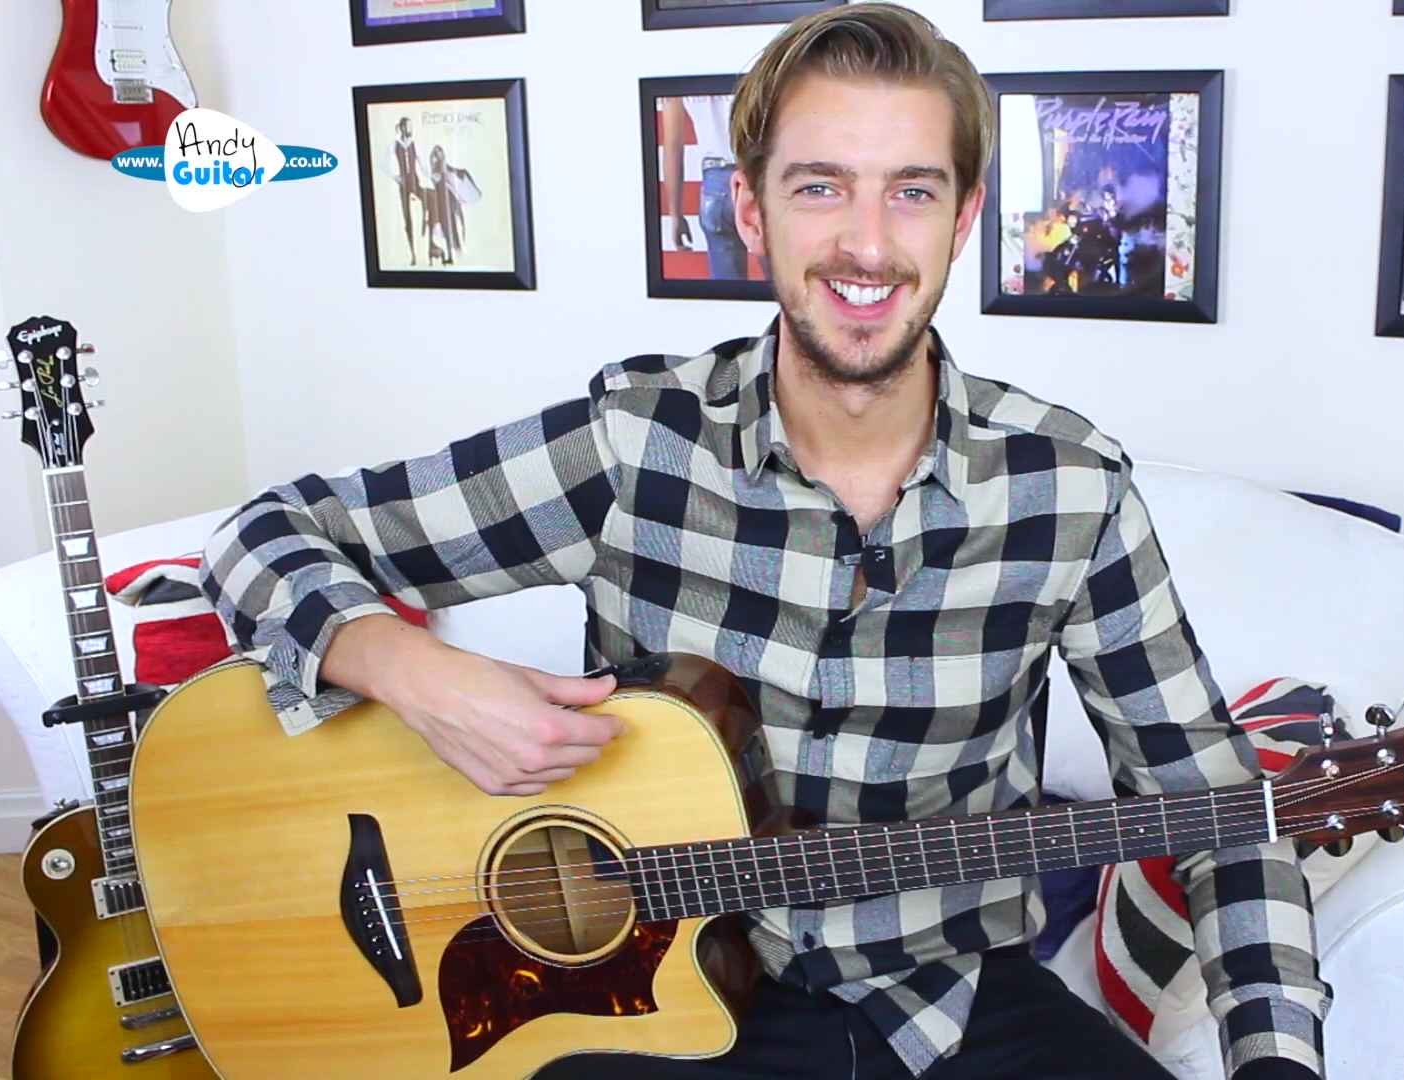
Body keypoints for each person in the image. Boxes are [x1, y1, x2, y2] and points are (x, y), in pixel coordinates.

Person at [198, 6, 1331, 1079]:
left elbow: (1223, 813)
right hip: (635, 1000)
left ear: (963, 219)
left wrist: (1276, 1058)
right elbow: (260, 537)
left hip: (949, 1004)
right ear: (751, 213)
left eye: (912, 191)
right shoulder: (635, 446)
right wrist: (425, 678)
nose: (867, 243)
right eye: (820, 186)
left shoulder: (1069, 491)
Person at [662, 94, 748, 279]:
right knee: (778, 284)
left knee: (728, 288)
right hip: (755, 172)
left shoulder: (675, 81)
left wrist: (675, 214)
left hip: (715, 184)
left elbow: (673, 146)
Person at [386, 116, 424, 266]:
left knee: (419, 214)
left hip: (415, 181)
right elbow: (383, 163)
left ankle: (423, 250)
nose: (410, 129)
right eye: (408, 126)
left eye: (411, 126)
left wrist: (431, 177)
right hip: (403, 186)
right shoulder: (395, 145)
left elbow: (422, 164)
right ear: (402, 128)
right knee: (407, 218)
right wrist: (395, 176)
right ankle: (412, 253)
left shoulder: (415, 144)